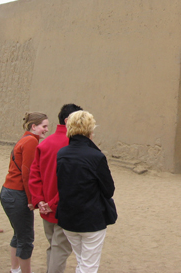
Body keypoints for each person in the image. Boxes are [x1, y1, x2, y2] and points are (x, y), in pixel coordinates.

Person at [56, 110, 115, 273]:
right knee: (89, 265)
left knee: (82, 260)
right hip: (91, 219)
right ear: (90, 129)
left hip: (68, 218)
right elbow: (109, 190)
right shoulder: (95, 156)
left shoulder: (62, 154)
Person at [29, 103, 83, 273]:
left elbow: (34, 175)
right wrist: (50, 203)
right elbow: (72, 182)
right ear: (68, 121)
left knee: (53, 246)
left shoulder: (45, 144)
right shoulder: (73, 145)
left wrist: (40, 200)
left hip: (47, 208)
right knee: (60, 249)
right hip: (62, 208)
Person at [0, 111, 49, 273]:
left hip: (9, 192)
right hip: (17, 194)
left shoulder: (25, 139)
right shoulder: (30, 142)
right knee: (26, 239)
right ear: (33, 126)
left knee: (19, 235)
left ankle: (15, 269)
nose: (46, 130)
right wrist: (31, 199)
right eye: (44, 126)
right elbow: (27, 173)